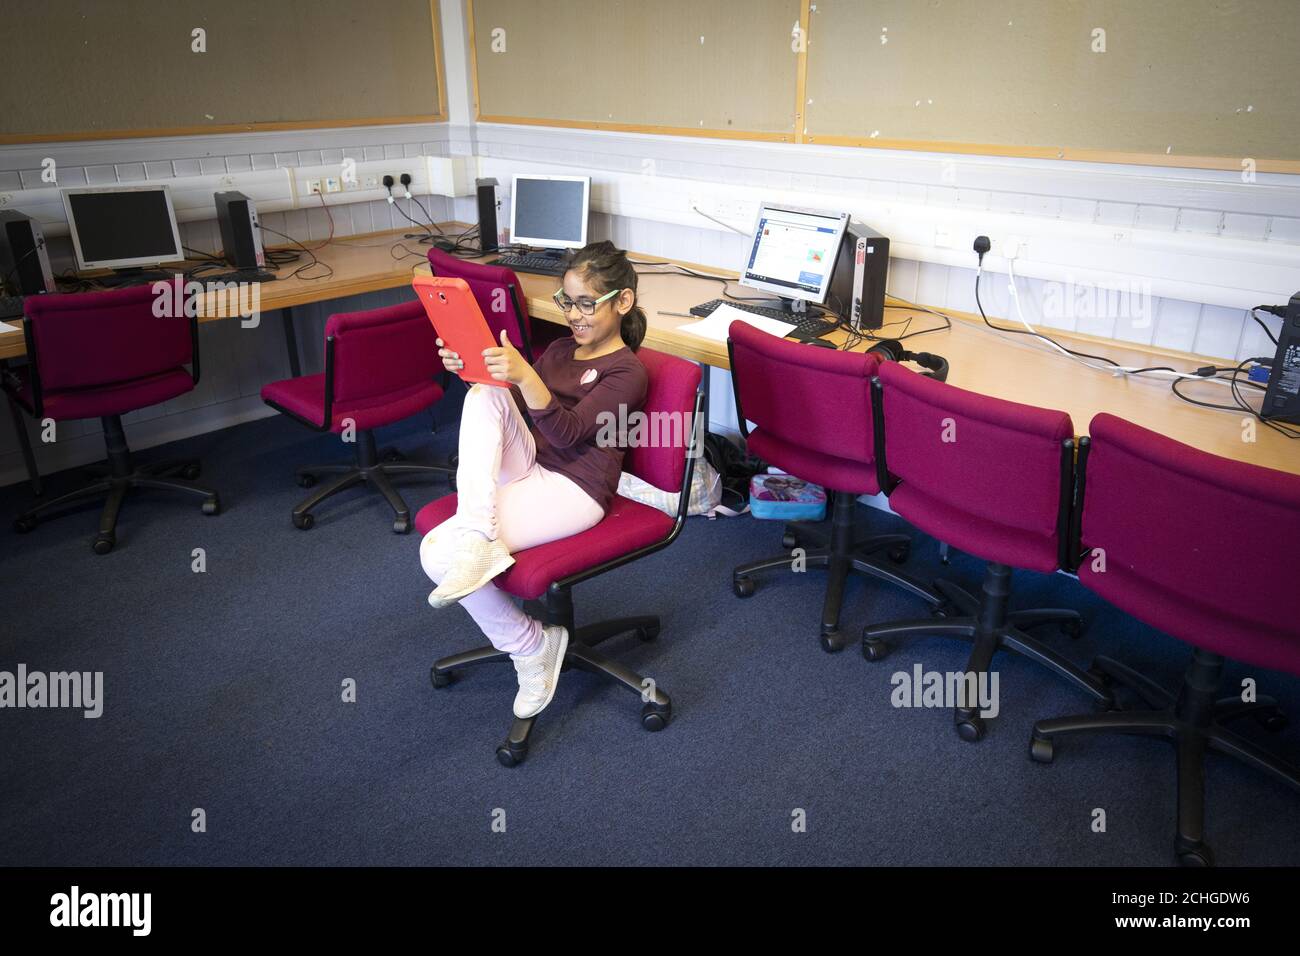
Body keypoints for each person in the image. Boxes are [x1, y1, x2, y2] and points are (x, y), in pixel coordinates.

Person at [420, 241, 649, 719]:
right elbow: (518, 417)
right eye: (568, 302)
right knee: (483, 394)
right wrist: (477, 373)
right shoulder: (563, 350)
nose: (574, 316)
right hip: (534, 465)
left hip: (576, 488)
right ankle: (487, 550)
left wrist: (526, 378)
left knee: (438, 553)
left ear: (622, 302)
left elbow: (567, 434)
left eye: (587, 303)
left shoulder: (627, 372)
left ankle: (530, 645)